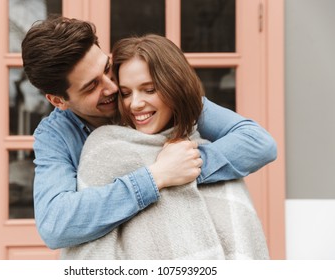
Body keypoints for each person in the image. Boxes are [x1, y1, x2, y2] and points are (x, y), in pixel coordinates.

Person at [21, 16, 277, 250]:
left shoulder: (162, 99)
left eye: (107, 68)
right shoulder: (55, 135)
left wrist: (187, 167)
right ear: (58, 101)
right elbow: (55, 224)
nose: (113, 87)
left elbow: (258, 143)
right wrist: (156, 176)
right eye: (91, 86)